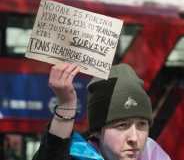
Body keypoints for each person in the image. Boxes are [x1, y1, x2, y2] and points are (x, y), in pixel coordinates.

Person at [32, 63, 171, 160]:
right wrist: (66, 104)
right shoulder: (77, 154)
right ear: (97, 132)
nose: (134, 139)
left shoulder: (155, 155)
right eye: (122, 125)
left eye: (142, 124)